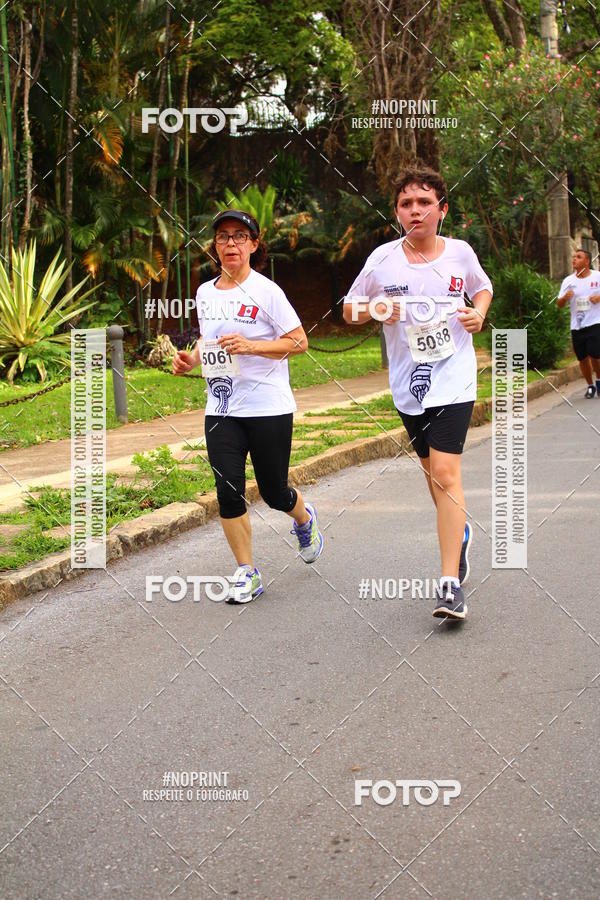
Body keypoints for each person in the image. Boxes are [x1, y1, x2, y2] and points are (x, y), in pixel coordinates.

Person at [343, 166, 493, 620]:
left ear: (442, 210)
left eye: (425, 202)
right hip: (409, 384)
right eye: (406, 203)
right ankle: (459, 534)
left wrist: (478, 314)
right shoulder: (382, 259)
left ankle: (449, 584)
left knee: (445, 473)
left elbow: (482, 288)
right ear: (397, 212)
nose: (415, 211)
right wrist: (376, 308)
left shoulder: (460, 253)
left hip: (454, 375)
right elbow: (349, 309)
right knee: (432, 474)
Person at [172, 209, 323, 602]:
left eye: (240, 236)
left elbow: (299, 342)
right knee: (228, 491)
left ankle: (303, 518)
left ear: (254, 245)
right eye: (223, 236)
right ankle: (247, 571)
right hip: (222, 408)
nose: (231, 243)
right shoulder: (205, 293)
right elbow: (210, 341)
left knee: (274, 492)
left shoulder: (267, 291)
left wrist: (252, 346)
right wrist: (192, 360)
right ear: (215, 245)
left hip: (268, 406)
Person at [557, 248, 600, 398]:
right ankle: (590, 385)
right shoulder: (568, 281)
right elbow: (559, 303)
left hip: (595, 322)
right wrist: (565, 298)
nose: (574, 259)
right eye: (574, 257)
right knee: (582, 358)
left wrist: (598, 297)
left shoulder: (597, 276)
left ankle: (599, 380)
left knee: (595, 355)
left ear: (587, 261)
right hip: (577, 325)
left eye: (579, 257)